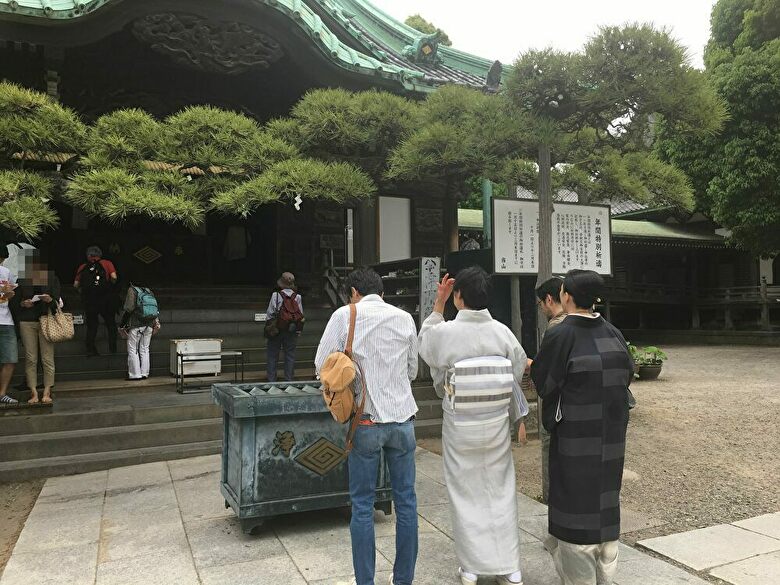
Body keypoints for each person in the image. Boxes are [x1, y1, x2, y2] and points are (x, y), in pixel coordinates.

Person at [418, 266, 528, 585]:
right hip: (495, 424)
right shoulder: (502, 332)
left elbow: (426, 345)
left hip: (460, 423)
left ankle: (472, 567)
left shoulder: (446, 332)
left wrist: (438, 305)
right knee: (500, 490)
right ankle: (510, 567)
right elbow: (517, 367)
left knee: (465, 491)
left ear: (458, 296)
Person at [314, 268, 419, 585]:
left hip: (366, 421)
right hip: (403, 422)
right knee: (406, 504)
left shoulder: (345, 316)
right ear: (382, 293)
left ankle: (365, 582)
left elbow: (322, 365)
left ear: (353, 293)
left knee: (362, 507)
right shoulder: (404, 319)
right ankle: (403, 580)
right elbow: (412, 370)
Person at [530, 270, 633, 585]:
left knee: (574, 496)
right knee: (604, 494)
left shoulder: (561, 334)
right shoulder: (613, 332)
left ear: (567, 297)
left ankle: (581, 573)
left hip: (575, 435)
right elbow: (626, 375)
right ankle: (605, 562)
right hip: (611, 433)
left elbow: (544, 383)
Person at [531, 276, 566, 502]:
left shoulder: (555, 328)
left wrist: (532, 367)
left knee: (552, 449)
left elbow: (548, 371)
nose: (541, 308)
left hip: (558, 406)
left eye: (540, 303)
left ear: (549, 299)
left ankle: (552, 498)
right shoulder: (585, 322)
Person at [10, 250, 61, 404]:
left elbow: (57, 302)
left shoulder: (51, 278)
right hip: (27, 321)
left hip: (46, 320)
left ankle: (47, 391)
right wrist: (22, 303)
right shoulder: (22, 279)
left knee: (47, 358)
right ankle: (33, 392)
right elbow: (15, 302)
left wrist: (49, 299)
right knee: (31, 358)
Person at [74, 245, 118, 356]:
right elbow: (114, 277)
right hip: (105, 299)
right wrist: (109, 287)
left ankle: (91, 349)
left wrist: (83, 292)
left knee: (92, 325)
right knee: (110, 324)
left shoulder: (83, 267)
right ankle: (113, 349)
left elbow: (76, 285)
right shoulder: (107, 263)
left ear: (89, 256)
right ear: (100, 255)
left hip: (90, 301)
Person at [265, 272, 303, 382]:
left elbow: (270, 313)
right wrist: (298, 330)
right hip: (291, 329)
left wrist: (269, 327)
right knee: (290, 355)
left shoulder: (275, 295)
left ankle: (272, 380)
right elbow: (300, 314)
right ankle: (289, 379)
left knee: (272, 354)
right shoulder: (298, 297)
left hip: (276, 328)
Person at [119, 285, 159, 381]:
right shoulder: (148, 290)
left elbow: (129, 309)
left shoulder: (132, 290)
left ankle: (135, 374)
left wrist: (122, 324)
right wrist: (156, 322)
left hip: (136, 324)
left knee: (133, 349)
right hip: (149, 324)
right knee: (145, 349)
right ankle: (144, 373)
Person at [0, 242, 19, 405]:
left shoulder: (6, 272)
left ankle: (2, 393)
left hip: (6, 319)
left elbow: (10, 294)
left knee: (10, 358)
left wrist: (9, 293)